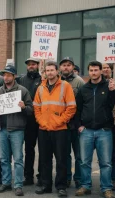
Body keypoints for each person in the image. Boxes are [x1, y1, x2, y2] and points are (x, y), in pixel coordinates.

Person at [33, 61, 76, 197]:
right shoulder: (40, 87)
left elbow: (71, 107)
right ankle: (46, 185)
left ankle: (61, 186)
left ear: (57, 71)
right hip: (44, 128)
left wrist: (59, 121)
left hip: (60, 129)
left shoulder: (65, 86)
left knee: (61, 159)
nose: (50, 72)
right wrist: (41, 121)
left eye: (52, 70)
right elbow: (36, 107)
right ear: (44, 72)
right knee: (45, 159)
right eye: (47, 70)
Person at [75, 61, 115, 198]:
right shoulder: (84, 89)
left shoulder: (109, 87)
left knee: (105, 162)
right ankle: (85, 186)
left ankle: (106, 188)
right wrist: (79, 125)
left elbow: (114, 107)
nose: (93, 72)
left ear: (101, 71)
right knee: (84, 161)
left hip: (104, 131)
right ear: (89, 72)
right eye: (91, 70)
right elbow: (78, 109)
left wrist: (113, 91)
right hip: (86, 130)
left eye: (96, 70)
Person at [0, 65, 33, 196]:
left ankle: (18, 185)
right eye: (4, 75)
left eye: (9, 75)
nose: (6, 77)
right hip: (1, 129)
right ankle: (6, 182)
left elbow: (31, 110)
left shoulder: (22, 91)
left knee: (18, 159)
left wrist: (23, 107)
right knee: (4, 158)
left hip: (16, 129)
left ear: (14, 76)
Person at [59, 57, 85, 189]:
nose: (66, 68)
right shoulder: (57, 81)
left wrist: (81, 122)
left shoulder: (79, 81)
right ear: (60, 68)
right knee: (65, 154)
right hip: (62, 124)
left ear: (73, 67)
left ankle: (79, 179)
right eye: (63, 65)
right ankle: (67, 177)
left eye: (69, 65)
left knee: (79, 155)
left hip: (76, 124)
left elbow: (83, 103)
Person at [17, 57, 42, 186]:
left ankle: (42, 176)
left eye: (33, 64)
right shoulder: (21, 79)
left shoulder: (43, 79)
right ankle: (28, 176)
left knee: (43, 150)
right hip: (27, 119)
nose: (31, 66)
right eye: (29, 64)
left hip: (41, 119)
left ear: (38, 65)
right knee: (29, 150)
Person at [102, 63, 115, 191]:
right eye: (103, 67)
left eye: (108, 67)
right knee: (102, 155)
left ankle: (113, 178)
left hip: (114, 125)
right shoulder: (97, 84)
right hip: (100, 124)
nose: (106, 69)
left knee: (113, 154)